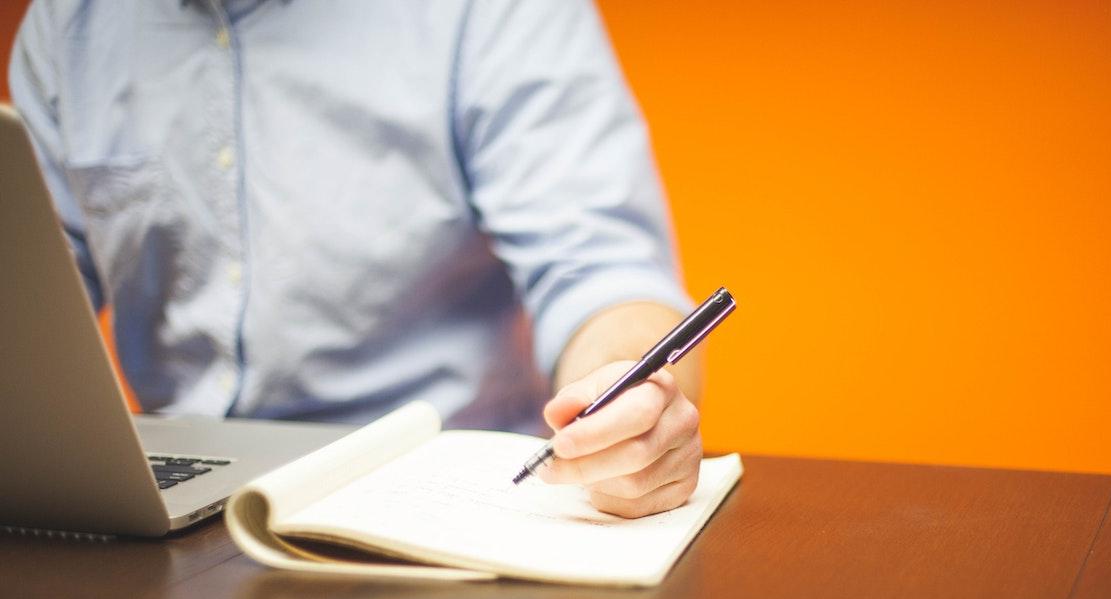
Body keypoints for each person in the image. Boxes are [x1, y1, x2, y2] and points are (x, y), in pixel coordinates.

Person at [9, 0, 705, 519]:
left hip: (446, 507)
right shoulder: (66, 25)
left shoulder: (488, 13)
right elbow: (29, 294)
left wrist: (625, 399)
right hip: (162, 509)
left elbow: (602, 270)